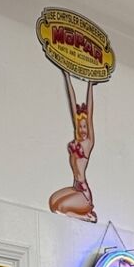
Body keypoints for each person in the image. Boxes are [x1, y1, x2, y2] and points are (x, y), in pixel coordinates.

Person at [48, 72, 97, 223]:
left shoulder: (88, 142)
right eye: (80, 127)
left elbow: (89, 113)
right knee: (52, 203)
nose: (82, 130)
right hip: (76, 187)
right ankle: (83, 214)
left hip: (83, 194)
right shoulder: (76, 140)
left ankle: (86, 216)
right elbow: (72, 103)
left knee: (58, 208)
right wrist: (67, 77)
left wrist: (90, 85)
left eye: (84, 127)